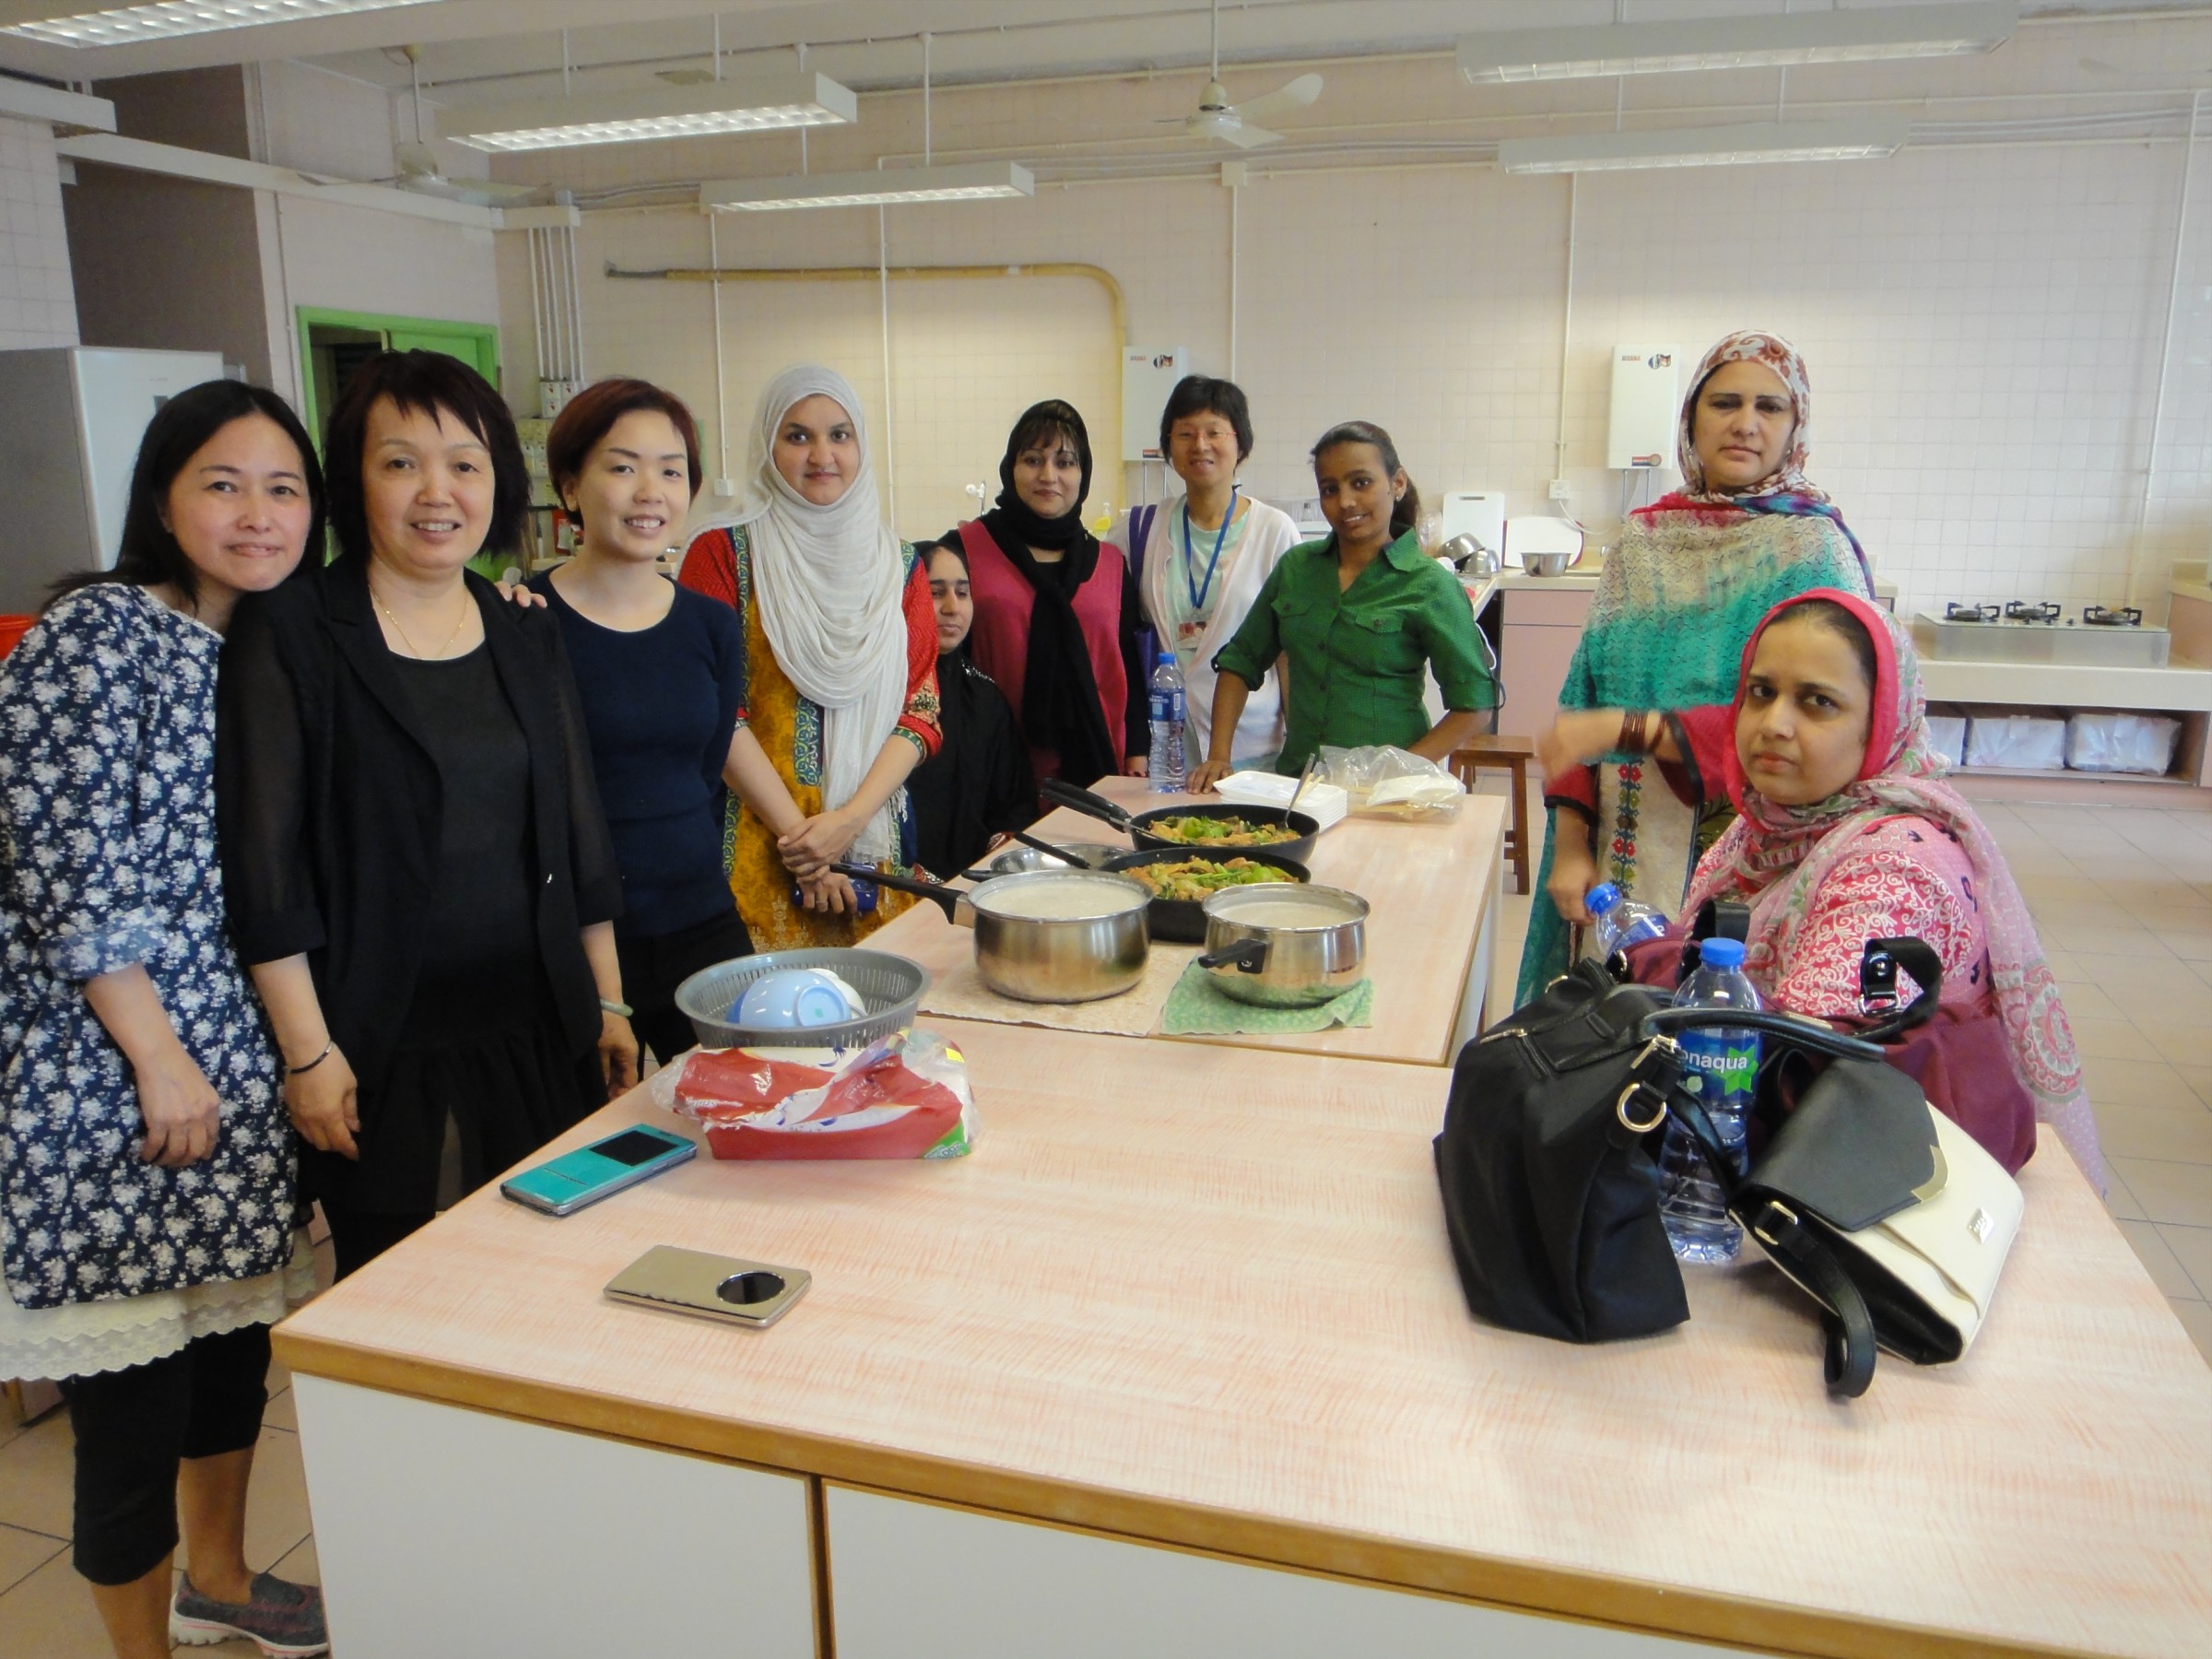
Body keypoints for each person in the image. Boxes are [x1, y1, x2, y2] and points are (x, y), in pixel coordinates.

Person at [0, 382, 328, 1658]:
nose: (258, 514)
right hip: (112, 1073)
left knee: (231, 1358)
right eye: (222, 485)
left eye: (283, 488)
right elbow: (68, 865)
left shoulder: (267, 640)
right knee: (129, 1406)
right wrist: (156, 1056)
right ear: (160, 497)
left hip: (234, 1062)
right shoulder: (97, 633)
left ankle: (221, 1581)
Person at [218, 349, 636, 1281]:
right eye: (400, 463)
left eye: (465, 464)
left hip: (537, 1031)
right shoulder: (293, 631)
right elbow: (266, 870)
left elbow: (577, 827)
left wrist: (607, 997)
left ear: (499, 481)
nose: (436, 492)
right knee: (404, 1288)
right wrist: (307, 1054)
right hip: (379, 1044)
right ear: (352, 482)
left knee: (552, 1277)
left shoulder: (523, 627)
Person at [1550, 589, 2104, 1189]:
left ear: (1880, 723)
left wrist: (1655, 961)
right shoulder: (1769, 826)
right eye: (1761, 692)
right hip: (1777, 1159)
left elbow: (1798, 1073)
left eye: (1818, 702)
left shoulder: (1896, 869)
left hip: (1864, 1181)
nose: (1774, 724)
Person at [1517, 328, 1874, 1003]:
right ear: (1690, 418)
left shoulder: (1815, 550)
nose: (1745, 424)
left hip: (1751, 859)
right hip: (1618, 861)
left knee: (1713, 1029)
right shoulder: (1642, 540)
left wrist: (1637, 730)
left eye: (1770, 407)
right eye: (1725, 403)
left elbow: (1827, 718)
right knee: (1607, 1026)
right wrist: (1570, 845)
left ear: (1796, 425)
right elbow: (1583, 701)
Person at [677, 365, 941, 947]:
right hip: (750, 846)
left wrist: (846, 826)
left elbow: (920, 711)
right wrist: (806, 847)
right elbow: (715, 712)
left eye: (839, 435)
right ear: (767, 446)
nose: (822, 455)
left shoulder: (898, 566)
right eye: (797, 436)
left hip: (873, 850)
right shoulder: (722, 552)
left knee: (879, 1002)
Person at [530, 378, 750, 1065]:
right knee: (596, 1125)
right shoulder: (524, 622)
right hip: (570, 937)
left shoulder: (711, 625)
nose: (650, 492)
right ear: (571, 487)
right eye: (623, 468)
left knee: (748, 1100)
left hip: (700, 918)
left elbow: (705, 770)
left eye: (671, 471)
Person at [1188, 420, 1496, 791]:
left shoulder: (1430, 584)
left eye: (1361, 483)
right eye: (1330, 489)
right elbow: (1240, 662)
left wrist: (1398, 773)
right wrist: (1219, 756)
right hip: (1299, 787)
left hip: (1387, 797)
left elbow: (1474, 706)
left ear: (1397, 483)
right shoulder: (1297, 569)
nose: (1345, 501)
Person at [944, 399, 1147, 788]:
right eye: (1033, 460)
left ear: (1084, 474)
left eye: (1065, 462)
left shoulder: (1110, 564)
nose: (1048, 475)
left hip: (1098, 765)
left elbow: (1130, 671)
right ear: (1011, 468)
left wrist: (1138, 753)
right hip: (991, 766)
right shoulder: (964, 550)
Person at [1117, 376, 1301, 771]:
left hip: (1255, 745)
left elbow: (1290, 651)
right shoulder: (1139, 528)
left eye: (1214, 432)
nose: (1200, 445)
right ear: (1169, 445)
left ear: (1240, 443)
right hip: (1166, 746)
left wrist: (1299, 745)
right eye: (1185, 433)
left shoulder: (1274, 531)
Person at [907, 538, 1037, 878]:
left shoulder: (984, 696)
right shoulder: (881, 693)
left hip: (976, 887)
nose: (953, 607)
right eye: (936, 593)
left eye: (963, 593)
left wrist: (1000, 854)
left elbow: (1014, 804)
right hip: (896, 885)